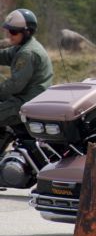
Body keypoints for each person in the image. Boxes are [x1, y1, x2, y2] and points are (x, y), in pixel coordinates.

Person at [0, 9, 53, 152]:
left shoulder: (27, 53)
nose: (9, 35)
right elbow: (4, 55)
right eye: (8, 31)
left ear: (27, 32)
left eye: (13, 32)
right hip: (28, 99)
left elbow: (14, 85)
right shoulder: (23, 47)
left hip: (25, 102)